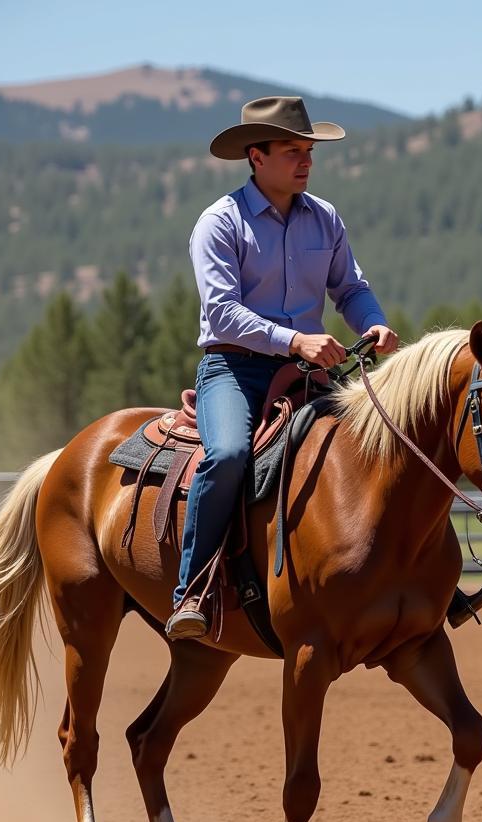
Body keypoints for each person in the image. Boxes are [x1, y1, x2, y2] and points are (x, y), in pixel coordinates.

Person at [166, 96, 399, 639]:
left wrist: (374, 323)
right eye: (292, 151)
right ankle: (191, 590)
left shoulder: (325, 218)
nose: (306, 161)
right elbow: (222, 314)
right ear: (256, 156)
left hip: (308, 372)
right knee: (226, 454)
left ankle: (421, 581)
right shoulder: (220, 223)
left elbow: (350, 288)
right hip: (234, 370)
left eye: (309, 151)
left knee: (390, 439)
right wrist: (296, 340)